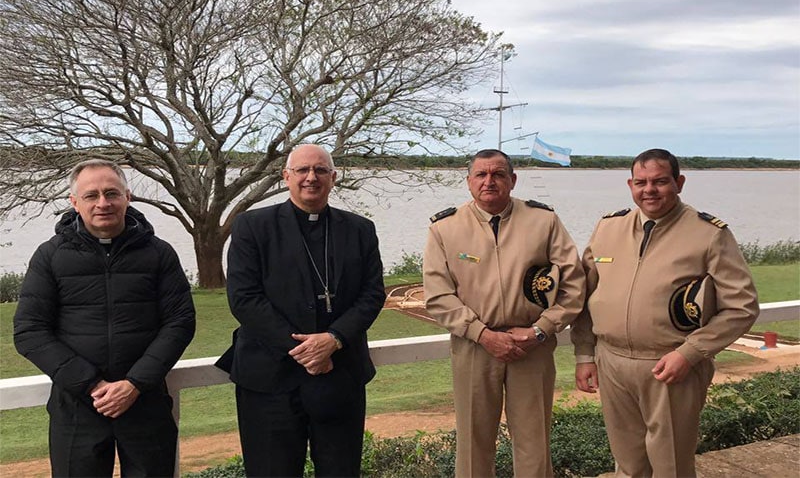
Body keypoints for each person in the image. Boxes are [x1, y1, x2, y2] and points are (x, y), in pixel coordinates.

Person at [571, 148, 760, 477]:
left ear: (679, 182)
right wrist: (585, 353)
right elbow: (587, 296)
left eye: (660, 181)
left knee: (670, 464)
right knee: (627, 464)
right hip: (612, 362)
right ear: (630, 184)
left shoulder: (709, 234)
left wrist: (690, 353)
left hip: (672, 365)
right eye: (641, 182)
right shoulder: (608, 228)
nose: (649, 190)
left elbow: (742, 306)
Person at [14, 159, 196, 477]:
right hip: (78, 406)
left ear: (127, 196)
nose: (103, 203)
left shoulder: (159, 253)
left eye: (112, 193)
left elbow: (179, 322)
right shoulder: (50, 255)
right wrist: (92, 385)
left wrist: (134, 383)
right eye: (91, 195)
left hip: (144, 401)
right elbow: (30, 331)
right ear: (74, 202)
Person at [217, 144, 385, 477]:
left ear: (333, 178)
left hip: (340, 375)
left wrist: (334, 339)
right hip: (269, 379)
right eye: (303, 170)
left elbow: (372, 294)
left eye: (321, 170)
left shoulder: (360, 229)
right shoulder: (252, 226)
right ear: (286, 177)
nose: (312, 178)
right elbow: (244, 298)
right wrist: (306, 350)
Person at [423, 149, 586, 477]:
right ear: (469, 182)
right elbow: (439, 296)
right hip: (473, 348)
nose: (489, 181)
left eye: (498, 174)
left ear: (512, 180)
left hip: (532, 345)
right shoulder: (445, 228)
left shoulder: (544, 221)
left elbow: (573, 285)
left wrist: (541, 329)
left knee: (533, 440)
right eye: (481, 175)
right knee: (473, 441)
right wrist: (482, 334)